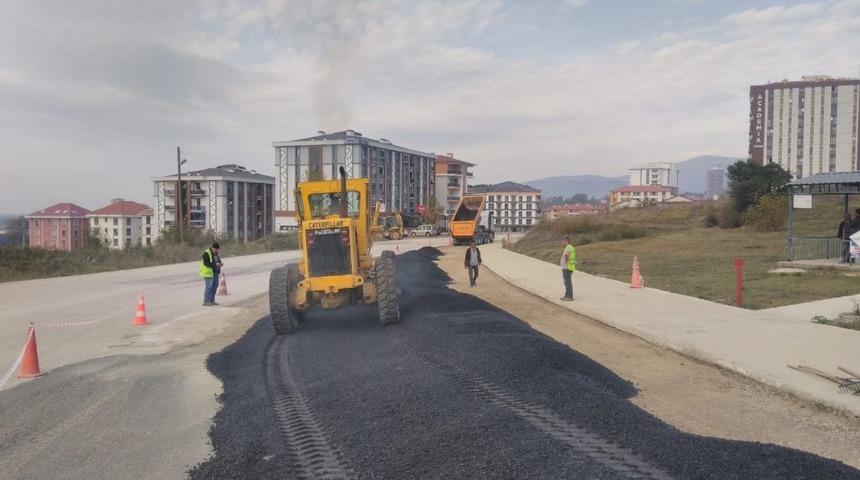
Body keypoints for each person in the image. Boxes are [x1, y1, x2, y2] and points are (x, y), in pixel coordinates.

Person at [200, 242, 223, 306]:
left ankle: (212, 300)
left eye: (218, 249)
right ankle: (206, 301)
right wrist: (215, 265)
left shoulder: (215, 254)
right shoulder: (206, 253)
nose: (217, 251)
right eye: (216, 249)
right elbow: (206, 263)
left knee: (215, 286)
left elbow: (218, 260)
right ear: (213, 248)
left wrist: (220, 264)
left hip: (215, 272)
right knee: (209, 287)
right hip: (208, 273)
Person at [560, 236, 576, 301]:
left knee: (567, 282)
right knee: (566, 281)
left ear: (566, 241)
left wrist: (566, 263)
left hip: (567, 267)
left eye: (563, 241)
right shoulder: (570, 247)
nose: (562, 242)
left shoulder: (568, 247)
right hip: (568, 266)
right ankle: (567, 295)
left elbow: (566, 255)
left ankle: (570, 296)